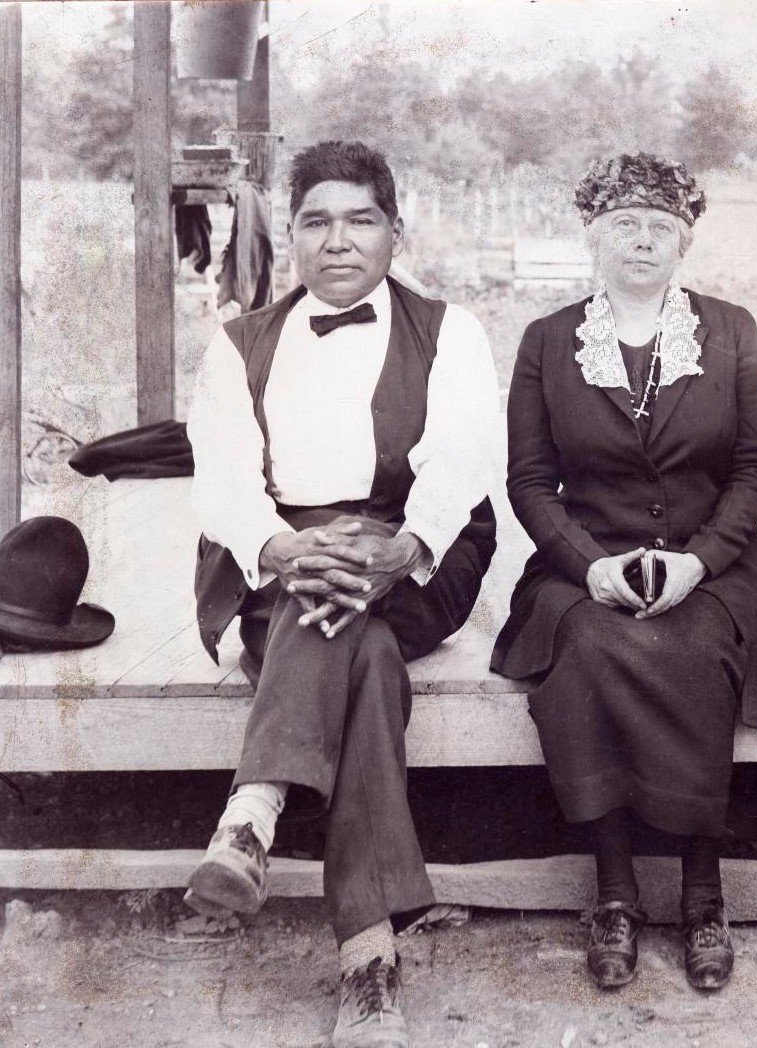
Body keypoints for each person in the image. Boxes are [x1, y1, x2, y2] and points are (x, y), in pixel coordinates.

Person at [185, 140, 499, 1048]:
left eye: (360, 220)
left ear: (394, 233)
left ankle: (252, 814)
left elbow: (463, 461)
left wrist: (394, 549)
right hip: (279, 557)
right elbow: (225, 484)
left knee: (352, 610)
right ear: (290, 237)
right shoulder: (239, 343)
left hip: (416, 548)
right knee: (358, 650)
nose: (338, 241)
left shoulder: (451, 330)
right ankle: (369, 958)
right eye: (316, 221)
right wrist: (286, 548)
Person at [491, 152, 757, 993]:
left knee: (696, 643)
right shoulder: (548, 341)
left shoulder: (730, 329)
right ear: (593, 235)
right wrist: (589, 568)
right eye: (624, 224)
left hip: (716, 563)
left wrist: (698, 562)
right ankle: (616, 892)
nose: (642, 241)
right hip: (583, 564)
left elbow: (755, 468)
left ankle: (703, 891)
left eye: (660, 227)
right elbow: (529, 482)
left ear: (684, 242)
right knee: (588, 645)